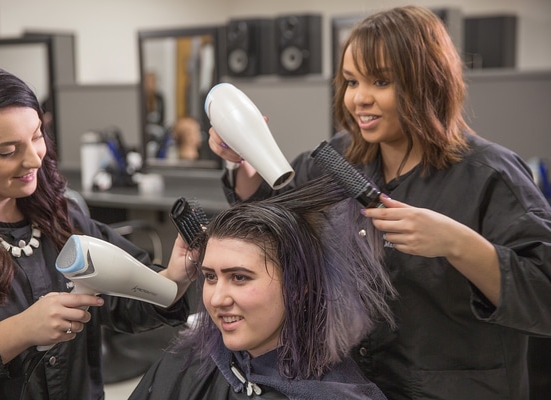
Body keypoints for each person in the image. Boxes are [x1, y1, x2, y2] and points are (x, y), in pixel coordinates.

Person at [207, 5, 551, 400]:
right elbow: (277, 214)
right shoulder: (339, 161)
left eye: (381, 81)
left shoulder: (490, 175)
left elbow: (544, 292)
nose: (359, 99)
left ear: (427, 82)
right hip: (355, 386)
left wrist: (457, 244)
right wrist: (246, 163)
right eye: (351, 82)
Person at [0, 64, 192, 400]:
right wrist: (17, 332)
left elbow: (124, 302)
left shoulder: (64, 219)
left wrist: (172, 280)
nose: (34, 159)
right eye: (8, 152)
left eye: (36, 136)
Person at [130, 175, 396, 400]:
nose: (217, 299)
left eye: (240, 278)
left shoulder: (336, 393)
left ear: (298, 286)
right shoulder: (188, 361)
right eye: (210, 277)